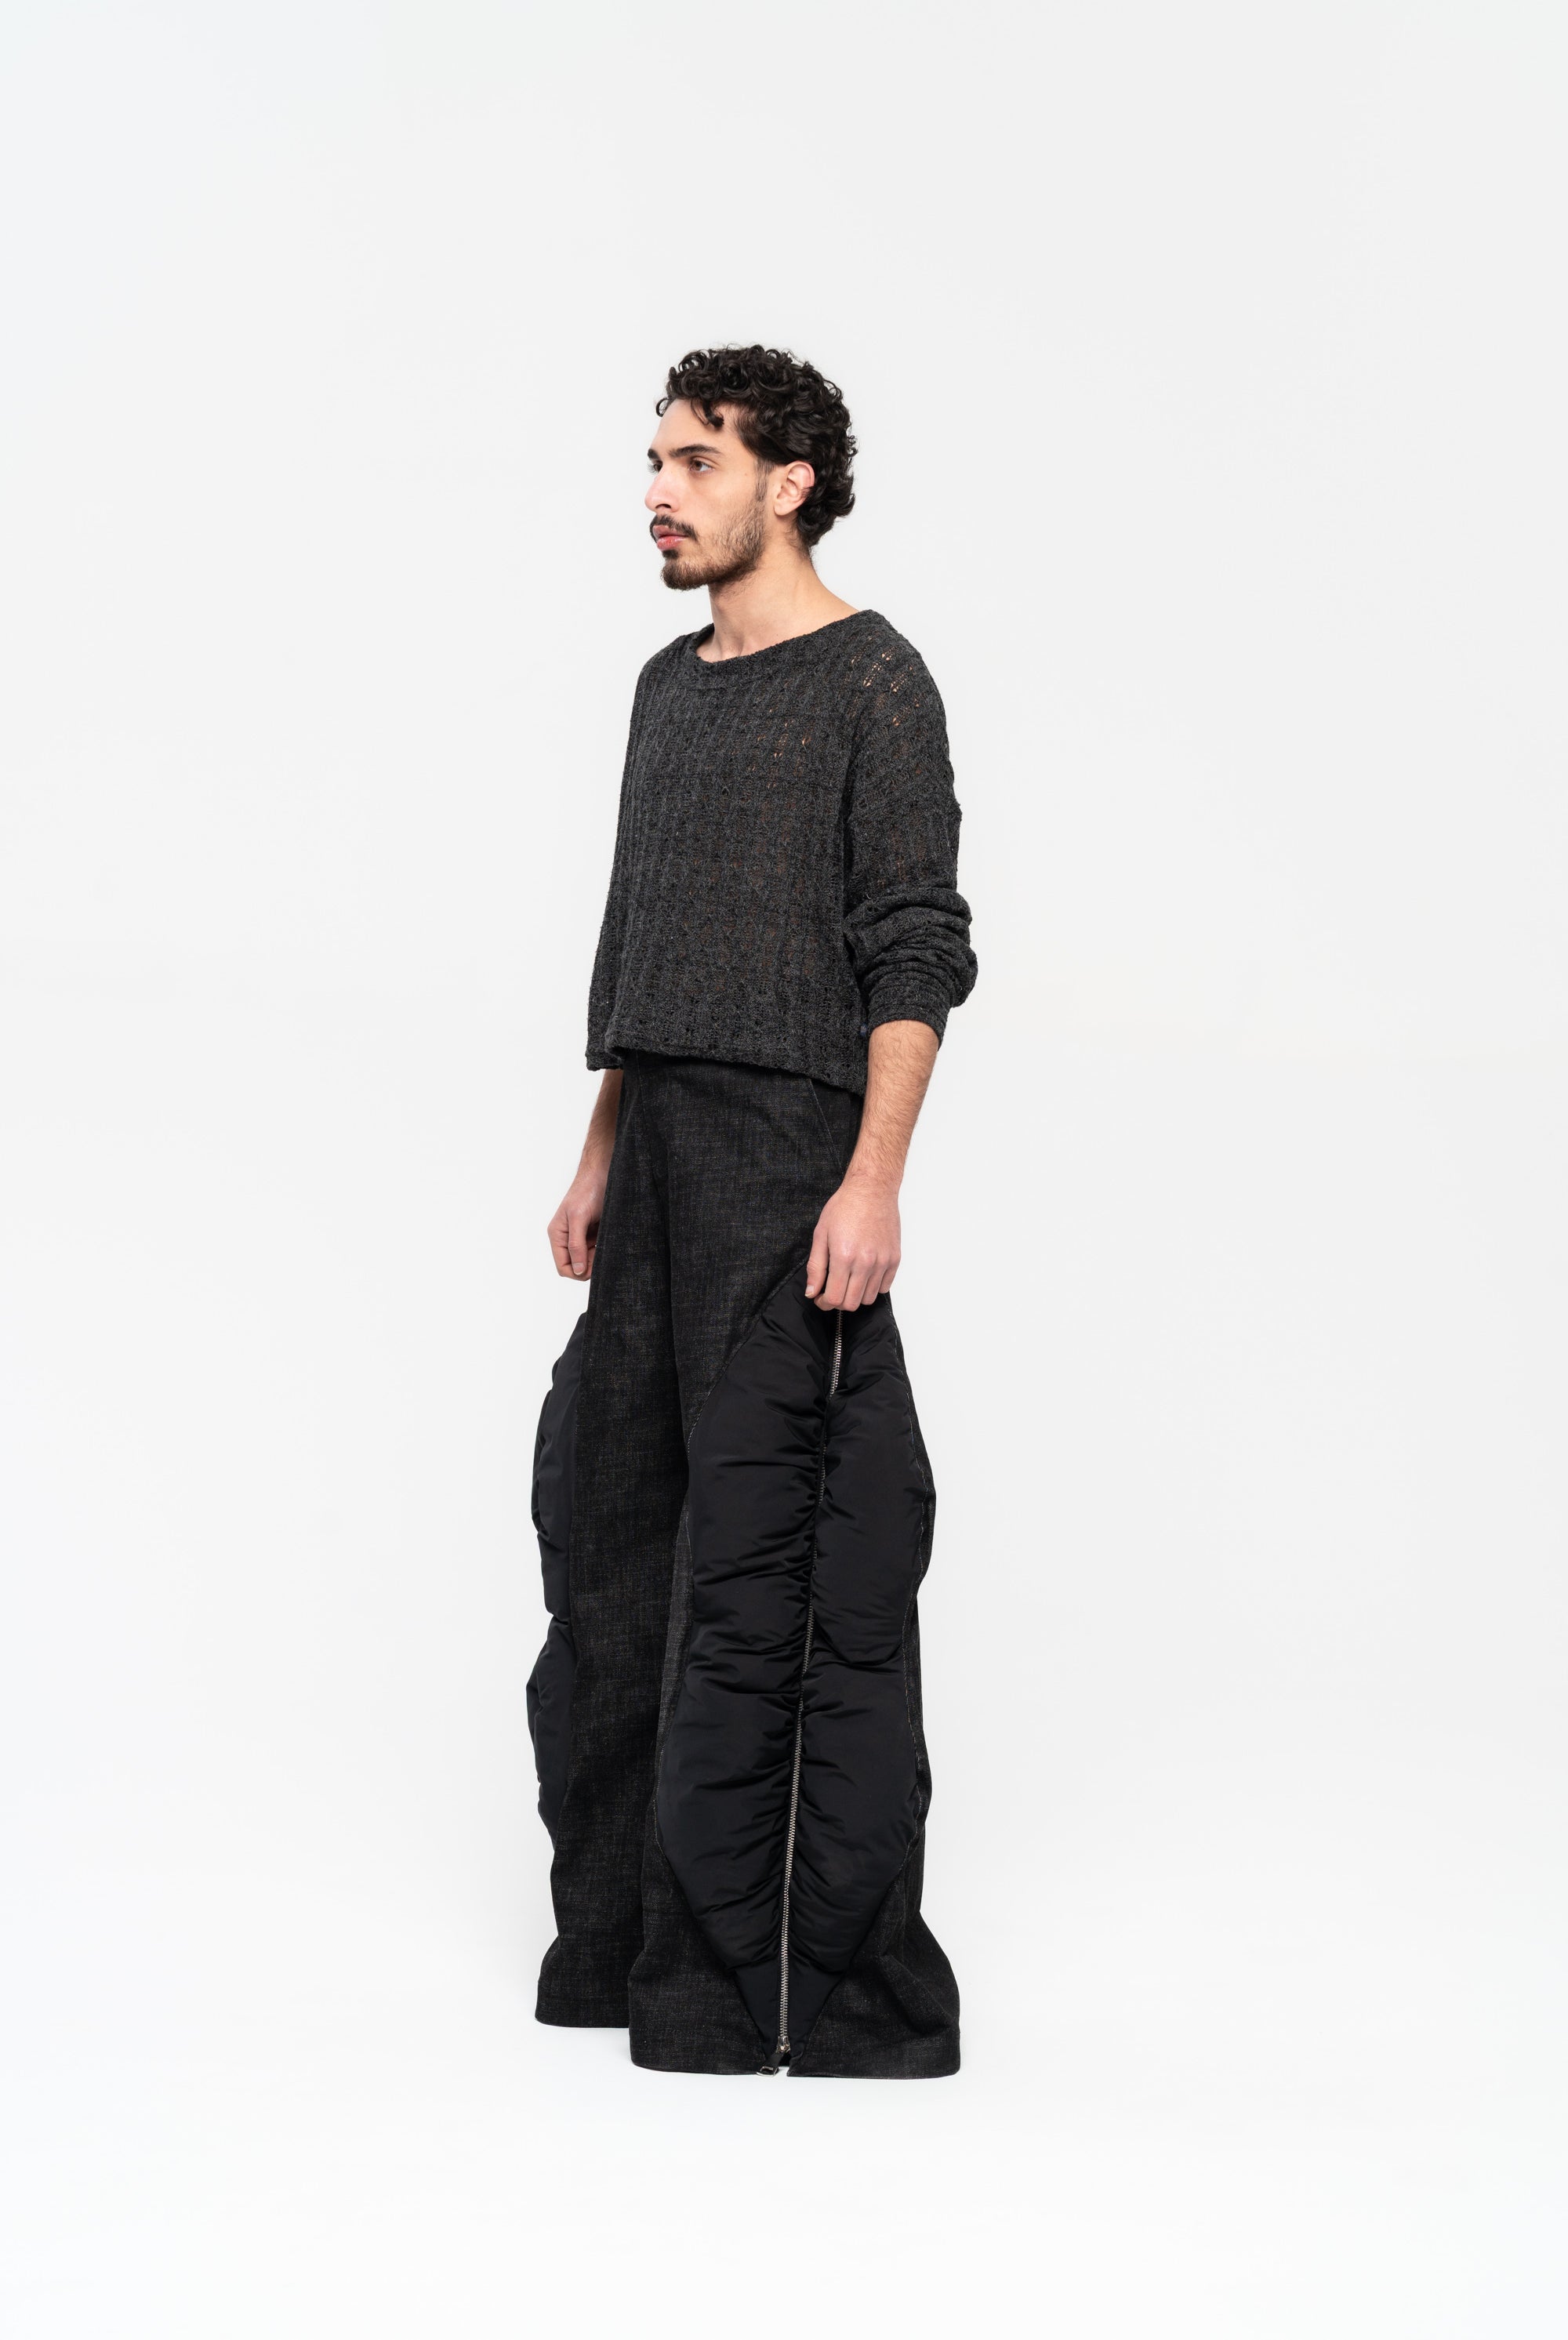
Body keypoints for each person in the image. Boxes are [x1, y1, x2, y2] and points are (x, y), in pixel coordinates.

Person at [526, 346, 977, 2078]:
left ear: (788, 484)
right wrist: (599, 1146)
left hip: (792, 1163)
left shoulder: (876, 682)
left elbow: (915, 949)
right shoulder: (668, 685)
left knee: (779, 1563)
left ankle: (779, 1991)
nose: (659, 490)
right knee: (608, 1545)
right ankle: (626, 1950)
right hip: (651, 1161)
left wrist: (873, 1179)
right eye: (654, 459)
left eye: (696, 462)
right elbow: (641, 935)